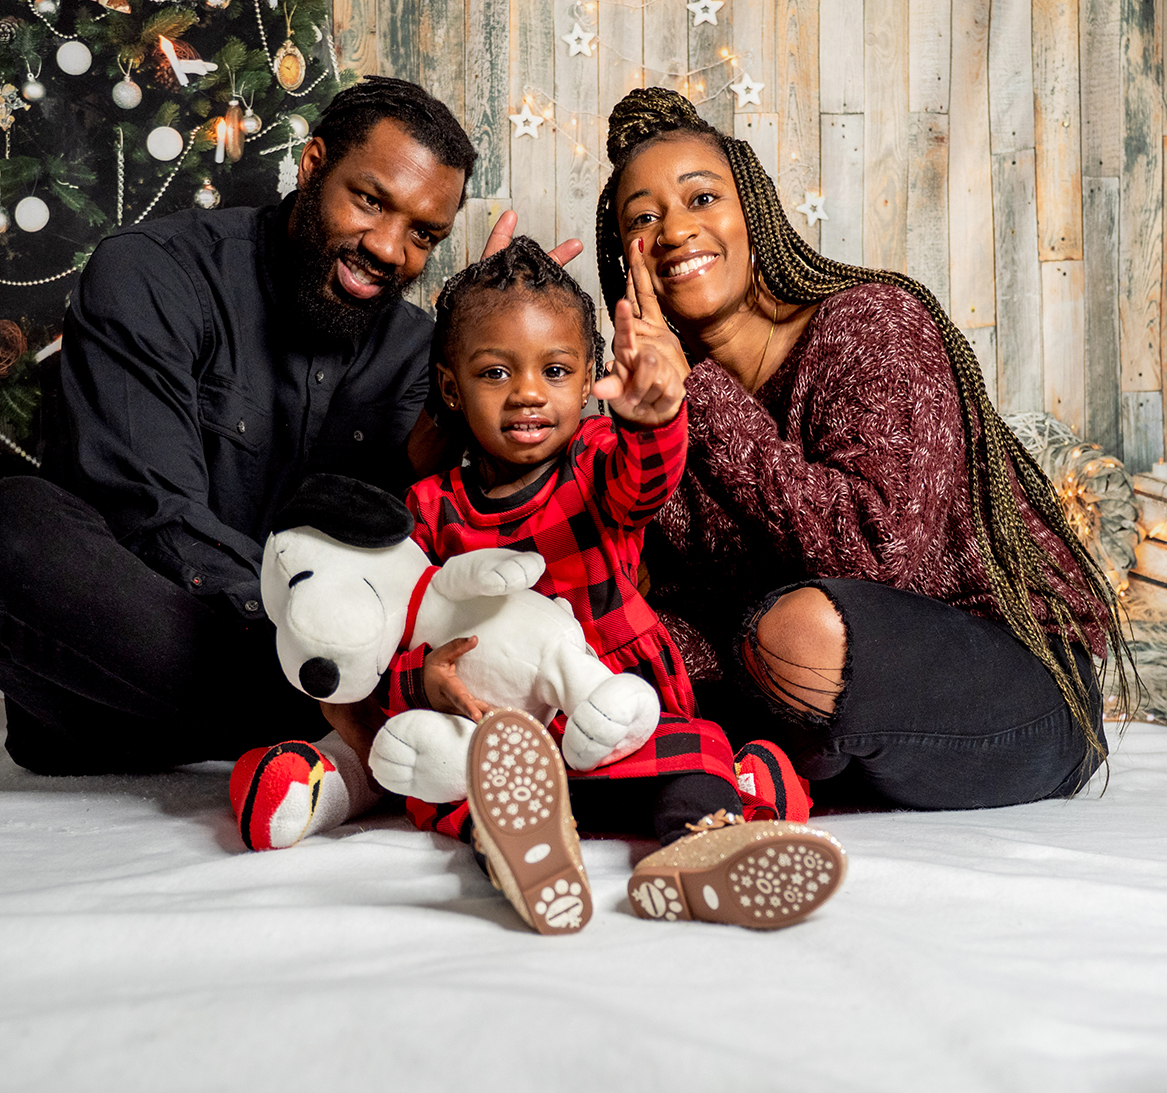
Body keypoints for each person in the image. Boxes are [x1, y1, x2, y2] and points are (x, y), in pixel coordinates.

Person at [0, 77, 558, 776]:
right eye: (371, 201)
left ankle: (341, 713)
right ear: (314, 164)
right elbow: (150, 516)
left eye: (423, 234)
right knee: (2, 532)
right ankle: (348, 714)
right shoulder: (153, 273)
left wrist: (492, 356)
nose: (389, 248)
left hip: (310, 676)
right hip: (125, 673)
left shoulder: (425, 353)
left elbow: (447, 544)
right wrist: (312, 642)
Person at [228, 238, 844, 933]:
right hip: (497, 730)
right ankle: (523, 858)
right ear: (453, 387)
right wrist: (423, 679)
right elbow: (399, 623)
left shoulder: (596, 467)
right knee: (459, 788)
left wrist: (654, 417)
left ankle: (702, 848)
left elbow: (648, 477)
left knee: (693, 755)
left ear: (587, 383)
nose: (527, 392)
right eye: (496, 371)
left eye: (554, 369)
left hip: (608, 709)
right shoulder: (432, 508)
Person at [588, 87, 1132, 811]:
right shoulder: (653, 410)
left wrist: (701, 398)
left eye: (701, 198)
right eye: (643, 218)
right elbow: (699, 613)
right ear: (626, 262)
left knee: (798, 631)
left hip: (1014, 685)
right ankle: (725, 785)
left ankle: (743, 763)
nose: (675, 230)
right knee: (610, 672)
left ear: (754, 211)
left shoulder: (871, 324)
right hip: (808, 702)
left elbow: (873, 556)